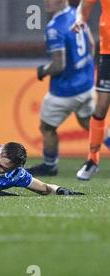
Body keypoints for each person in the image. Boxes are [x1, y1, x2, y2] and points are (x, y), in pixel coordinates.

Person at [28, 0, 96, 176]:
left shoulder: (54, 27)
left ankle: (50, 165)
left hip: (66, 90)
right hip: (86, 84)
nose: (46, 2)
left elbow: (59, 66)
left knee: (47, 127)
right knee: (90, 123)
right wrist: (86, 72)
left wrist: (42, 71)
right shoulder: (77, 13)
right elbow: (92, 44)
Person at [73, 0, 110, 180]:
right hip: (107, 53)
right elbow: (83, 7)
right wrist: (80, 20)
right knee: (101, 107)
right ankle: (92, 160)